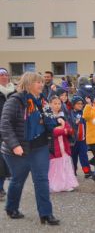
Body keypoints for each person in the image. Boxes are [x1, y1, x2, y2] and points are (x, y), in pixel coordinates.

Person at [0, 72, 60, 225]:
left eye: (41, 82)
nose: (41, 84)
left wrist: (50, 119)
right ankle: (11, 207)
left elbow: (50, 123)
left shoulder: (43, 101)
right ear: (27, 83)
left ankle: (46, 214)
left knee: (41, 180)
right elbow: (5, 125)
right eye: (37, 82)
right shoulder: (16, 100)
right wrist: (15, 145)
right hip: (18, 149)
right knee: (18, 179)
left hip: (39, 146)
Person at [45, 96, 78, 193]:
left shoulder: (62, 116)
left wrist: (63, 129)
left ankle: (67, 184)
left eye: (59, 103)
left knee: (65, 165)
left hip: (64, 145)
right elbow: (53, 132)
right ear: (50, 104)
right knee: (55, 167)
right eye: (55, 103)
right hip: (54, 146)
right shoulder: (48, 117)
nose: (57, 105)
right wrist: (64, 129)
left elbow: (70, 130)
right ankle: (56, 185)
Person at [0, 67, 16, 200]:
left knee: (11, 160)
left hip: (13, 131)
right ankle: (0, 189)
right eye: (1, 74)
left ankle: (13, 187)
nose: (4, 76)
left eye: (6, 74)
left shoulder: (14, 92)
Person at [69, 96, 91, 178]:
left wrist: (89, 104)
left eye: (81, 104)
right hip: (73, 140)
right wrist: (75, 123)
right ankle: (73, 171)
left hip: (82, 140)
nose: (80, 105)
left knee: (83, 156)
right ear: (73, 104)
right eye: (78, 104)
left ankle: (87, 171)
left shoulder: (83, 113)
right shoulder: (70, 113)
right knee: (73, 157)